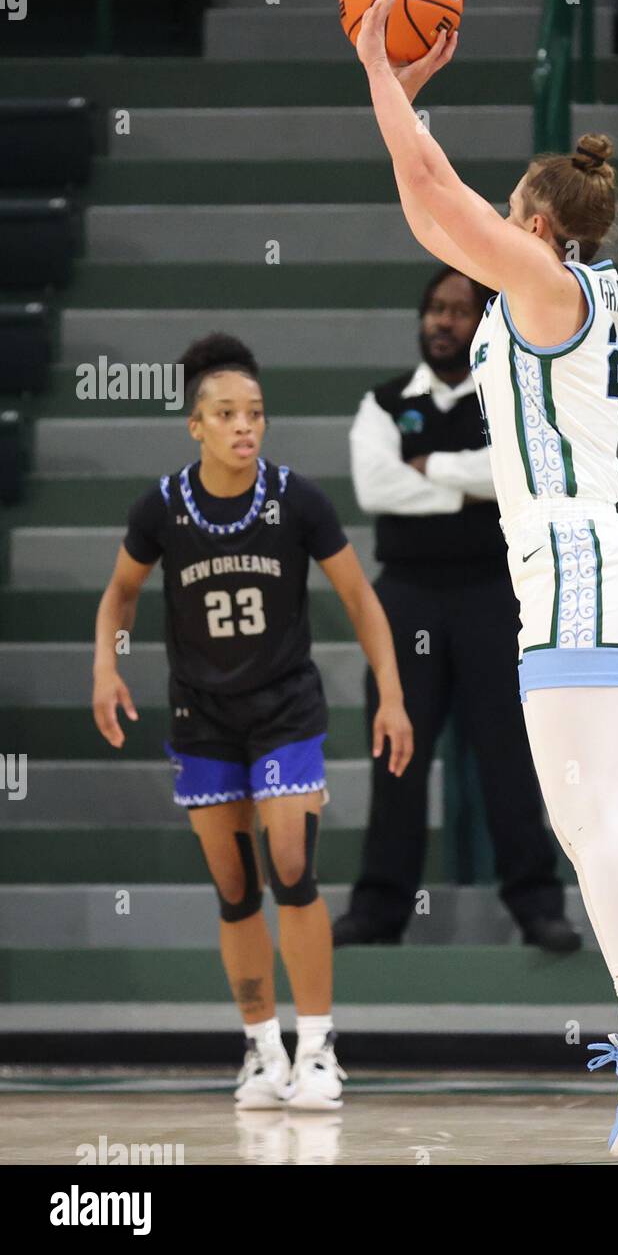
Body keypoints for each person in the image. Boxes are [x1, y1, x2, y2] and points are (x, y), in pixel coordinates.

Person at [354, 0, 618, 1159]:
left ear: (543, 229)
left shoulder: (551, 289)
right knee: (585, 810)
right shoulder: (560, 285)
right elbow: (434, 208)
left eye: (514, 214)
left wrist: (377, 69)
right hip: (584, 553)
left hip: (571, 550)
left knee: (586, 812)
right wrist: (401, 100)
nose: (494, 232)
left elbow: (434, 199)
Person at [91, 334, 413, 1111]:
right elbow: (121, 593)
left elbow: (361, 600)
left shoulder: (296, 500)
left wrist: (393, 694)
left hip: (284, 712)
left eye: (256, 413)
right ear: (194, 426)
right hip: (203, 719)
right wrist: (105, 663)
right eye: (227, 414)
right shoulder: (162, 507)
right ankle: (262, 1050)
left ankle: (320, 1049)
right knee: (235, 888)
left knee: (292, 866)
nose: (246, 426)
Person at [335, 266, 579, 952]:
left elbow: (517, 476)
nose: (443, 321)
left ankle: (536, 905)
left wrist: (429, 470)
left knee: (507, 754)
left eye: (459, 311)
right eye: (435, 309)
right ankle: (380, 910)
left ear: (481, 324)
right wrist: (469, 480)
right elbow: (374, 487)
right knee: (396, 754)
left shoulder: (507, 398)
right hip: (405, 597)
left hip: (491, 597)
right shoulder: (383, 403)